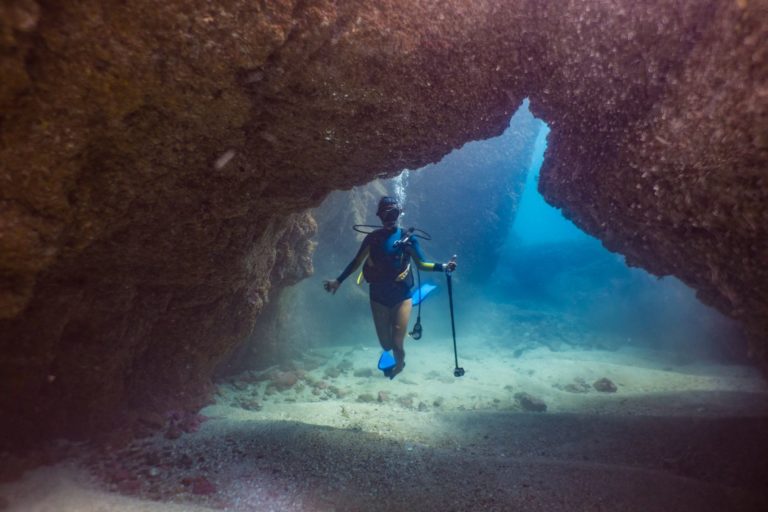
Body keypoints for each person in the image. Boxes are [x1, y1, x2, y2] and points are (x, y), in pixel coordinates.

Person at [323, 196, 457, 379]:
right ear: (379, 216)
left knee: (396, 344)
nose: (390, 218)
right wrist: (338, 281)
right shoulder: (372, 239)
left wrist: (443, 267)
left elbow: (422, 265)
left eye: (394, 213)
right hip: (378, 297)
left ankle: (399, 366)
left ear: (399, 213)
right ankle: (399, 343)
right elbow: (356, 262)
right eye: (386, 215)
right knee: (386, 345)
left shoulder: (407, 239)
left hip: (402, 296)